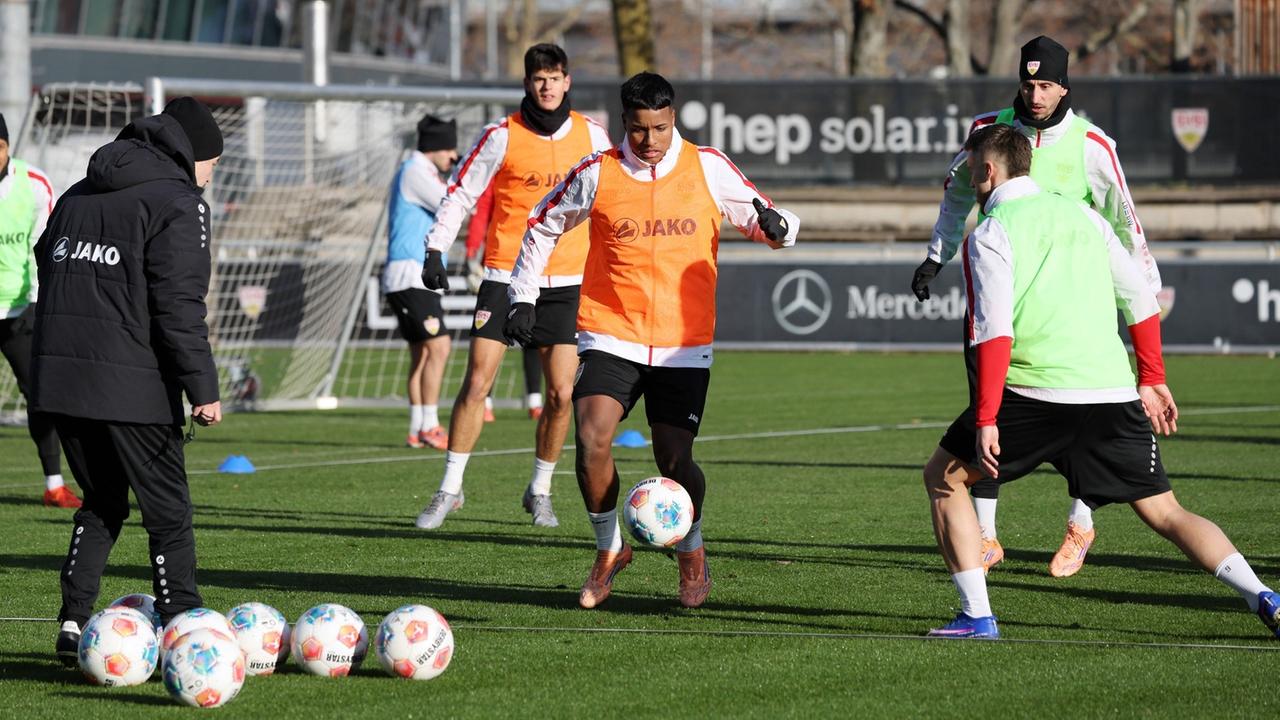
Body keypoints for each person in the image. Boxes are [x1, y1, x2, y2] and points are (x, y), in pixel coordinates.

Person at [922, 123, 1279, 639]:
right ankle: (1264, 595)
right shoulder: (1086, 217)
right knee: (1167, 512)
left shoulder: (991, 233)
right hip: (1111, 393)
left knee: (944, 477)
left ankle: (977, 616)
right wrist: (1151, 377)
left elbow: (993, 333)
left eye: (971, 165)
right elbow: (1140, 299)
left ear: (988, 170)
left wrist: (986, 418)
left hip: (1034, 394)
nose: (968, 173)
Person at [503, 71, 799, 609]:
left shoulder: (708, 165)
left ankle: (692, 549)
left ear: (673, 118)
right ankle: (609, 548)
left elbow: (764, 217)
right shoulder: (598, 171)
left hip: (684, 343)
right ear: (625, 123)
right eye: (640, 130)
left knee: (674, 459)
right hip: (611, 332)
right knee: (592, 436)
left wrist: (782, 229)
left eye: (661, 128)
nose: (651, 141)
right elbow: (543, 221)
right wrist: (522, 293)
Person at [910, 35, 1161, 578]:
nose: (1035, 94)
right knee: (987, 408)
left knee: (1086, 412)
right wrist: (936, 256)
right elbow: (955, 192)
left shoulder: (1093, 144)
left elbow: (1125, 221)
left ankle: (1081, 520)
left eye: (1046, 84)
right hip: (1007, 293)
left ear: (1065, 86)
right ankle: (988, 536)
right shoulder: (990, 131)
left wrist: (1143, 291)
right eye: (1028, 84)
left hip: (1073, 299)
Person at [32, 97, 224, 664]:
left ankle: (72, 624)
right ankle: (187, 633)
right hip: (131, 385)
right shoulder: (179, 202)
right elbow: (178, 307)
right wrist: (203, 388)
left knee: (103, 502)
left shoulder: (78, 191)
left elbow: (48, 259)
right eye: (212, 160)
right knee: (169, 514)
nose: (212, 172)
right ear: (192, 153)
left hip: (59, 381)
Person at [414, 43, 611, 530]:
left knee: (562, 394)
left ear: (568, 82)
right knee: (477, 382)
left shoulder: (593, 136)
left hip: (566, 281)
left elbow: (615, 198)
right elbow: (460, 193)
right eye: (538, 77)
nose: (547, 85)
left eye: (555, 77)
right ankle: (449, 489)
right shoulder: (499, 135)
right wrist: (435, 247)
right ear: (528, 83)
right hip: (504, 274)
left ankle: (540, 490)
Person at [0, 113, 78, 508]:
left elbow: (46, 247)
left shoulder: (34, 185)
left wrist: (42, 300)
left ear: (5, 146)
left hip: (19, 309)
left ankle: (53, 484)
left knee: (41, 396)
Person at [383, 114, 457, 449]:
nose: (453, 156)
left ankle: (417, 428)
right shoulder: (416, 172)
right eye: (449, 148)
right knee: (439, 347)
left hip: (405, 275)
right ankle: (431, 425)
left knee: (422, 354)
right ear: (435, 147)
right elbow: (453, 204)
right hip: (410, 274)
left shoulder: (415, 171)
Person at [465, 182, 545, 420]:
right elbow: (483, 211)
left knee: (533, 335)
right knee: (492, 338)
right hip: (500, 268)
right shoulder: (501, 168)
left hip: (539, 267)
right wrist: (472, 253)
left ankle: (534, 400)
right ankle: (485, 400)